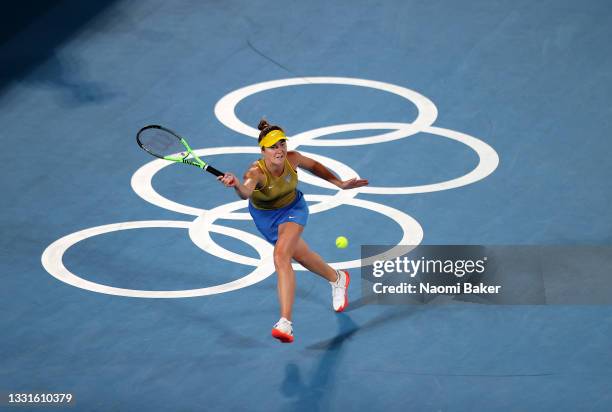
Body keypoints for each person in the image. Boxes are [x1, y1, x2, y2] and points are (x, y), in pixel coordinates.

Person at [218, 119, 369, 343]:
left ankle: (285, 323)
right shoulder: (255, 172)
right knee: (302, 256)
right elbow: (246, 193)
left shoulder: (293, 159)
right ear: (263, 151)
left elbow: (315, 166)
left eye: (282, 145)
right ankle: (337, 278)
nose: (279, 150)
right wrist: (236, 185)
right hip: (265, 219)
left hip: (293, 210)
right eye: (273, 147)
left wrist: (339, 183)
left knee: (281, 257)